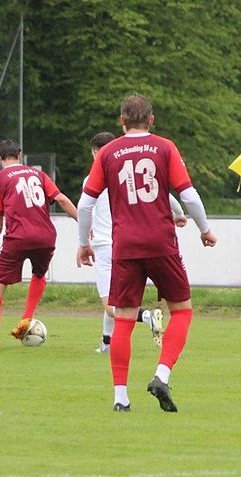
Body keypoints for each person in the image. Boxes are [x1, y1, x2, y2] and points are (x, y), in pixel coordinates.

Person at [77, 94, 218, 413]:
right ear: (151, 120)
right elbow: (189, 196)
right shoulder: (165, 147)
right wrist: (205, 229)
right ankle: (161, 376)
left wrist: (83, 243)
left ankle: (120, 398)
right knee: (181, 311)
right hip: (161, 242)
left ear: (121, 121)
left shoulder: (108, 152)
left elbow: (85, 205)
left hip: (125, 245)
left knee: (124, 319)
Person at [83, 132, 189, 353]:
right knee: (116, 297)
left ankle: (147, 316)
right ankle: (106, 343)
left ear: (95, 154)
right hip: (132, 241)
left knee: (112, 305)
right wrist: (179, 214)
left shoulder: (95, 177)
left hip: (107, 246)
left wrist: (83, 240)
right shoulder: (127, 170)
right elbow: (165, 194)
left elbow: (85, 208)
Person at [0, 139, 78, 352]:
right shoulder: (39, 174)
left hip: (17, 237)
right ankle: (26, 318)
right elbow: (62, 199)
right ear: (20, 154)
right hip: (46, 237)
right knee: (39, 274)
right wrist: (83, 222)